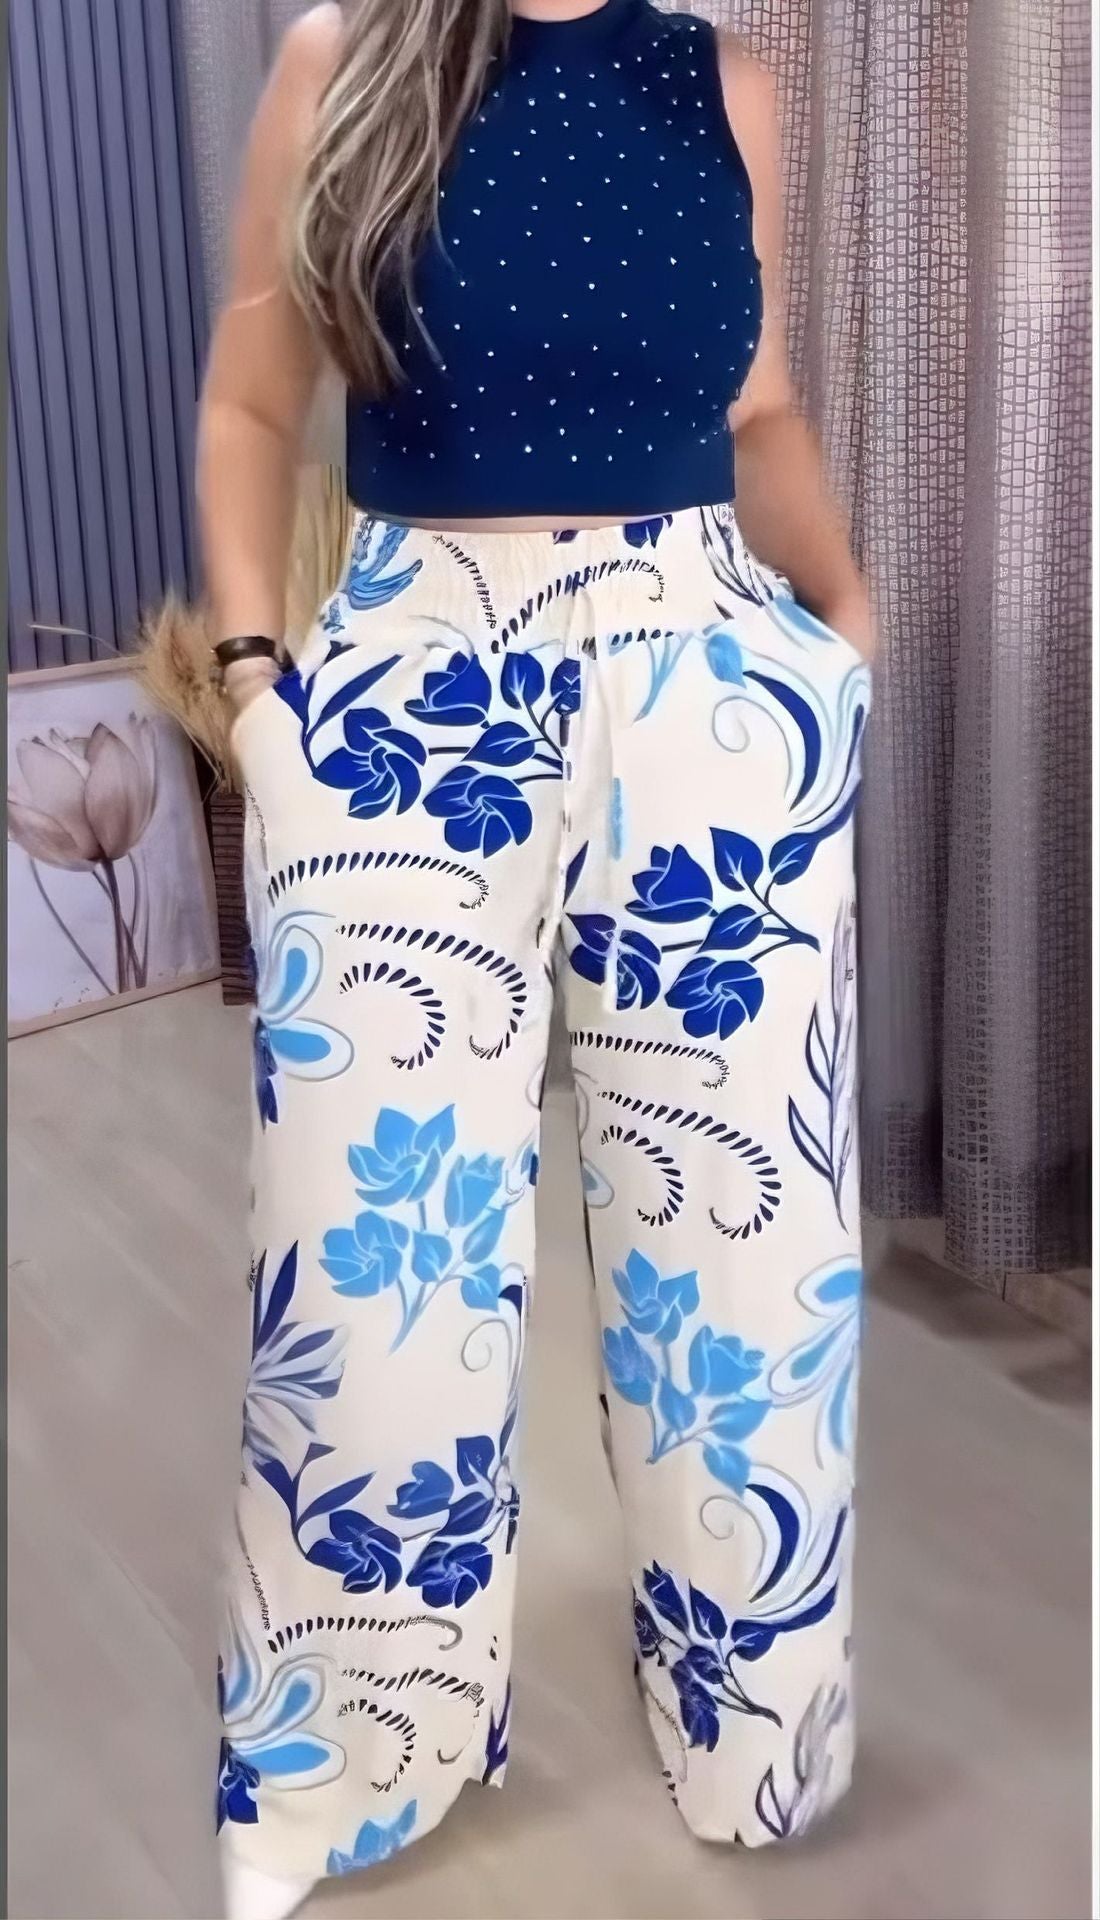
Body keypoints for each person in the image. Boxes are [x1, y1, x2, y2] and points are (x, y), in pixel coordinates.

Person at [198, 3, 874, 1913]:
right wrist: (255, 694)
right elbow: (250, 407)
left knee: (747, 1273)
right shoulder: (348, 58)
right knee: (367, 1274)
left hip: (706, 682)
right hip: (413, 684)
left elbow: (758, 407)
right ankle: (350, 1760)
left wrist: (845, 618)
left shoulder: (722, 85)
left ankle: (756, 1735)